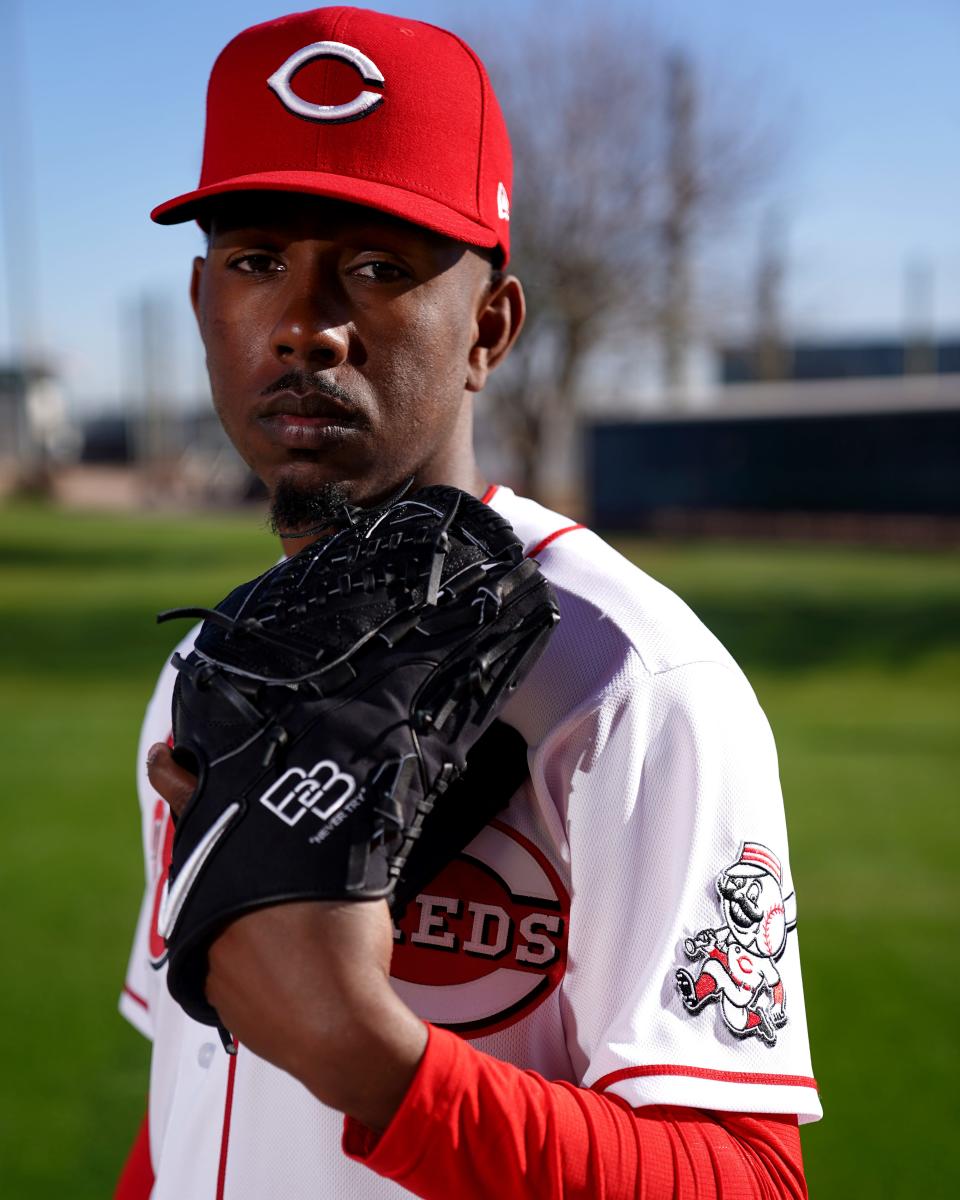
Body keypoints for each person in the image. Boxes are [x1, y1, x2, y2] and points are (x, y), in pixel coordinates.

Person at [115, 8, 821, 1198]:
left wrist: (380, 1066)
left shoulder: (631, 679)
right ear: (201, 308)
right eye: (254, 261)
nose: (303, 322)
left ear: (489, 327)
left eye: (379, 268)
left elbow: (750, 1178)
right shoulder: (209, 665)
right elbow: (188, 1099)